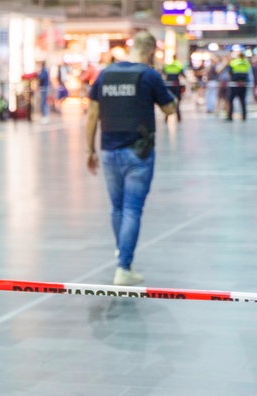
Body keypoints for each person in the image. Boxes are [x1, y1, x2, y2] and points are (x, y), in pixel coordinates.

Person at [85, 31, 176, 286]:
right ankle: (124, 266)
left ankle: (123, 254)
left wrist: (89, 150)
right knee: (132, 209)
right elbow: (169, 108)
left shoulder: (105, 74)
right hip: (139, 153)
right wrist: (173, 100)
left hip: (108, 150)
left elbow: (92, 116)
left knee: (117, 208)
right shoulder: (149, 75)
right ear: (151, 52)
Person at [227, 52, 251, 122]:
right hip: (243, 84)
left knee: (231, 100)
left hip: (235, 84)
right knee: (243, 100)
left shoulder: (234, 62)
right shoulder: (246, 63)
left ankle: (230, 116)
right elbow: (248, 73)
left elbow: (230, 72)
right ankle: (244, 116)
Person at [162, 57, 186, 122]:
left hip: (168, 85)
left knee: (167, 100)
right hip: (176, 85)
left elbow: (163, 74)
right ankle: (178, 117)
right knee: (177, 101)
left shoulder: (166, 65)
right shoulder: (178, 65)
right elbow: (183, 75)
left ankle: (166, 117)